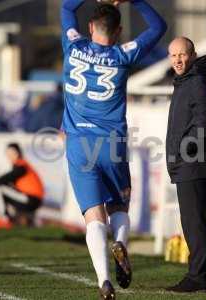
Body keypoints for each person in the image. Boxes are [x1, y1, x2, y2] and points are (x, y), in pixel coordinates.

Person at [60, 0, 166, 298]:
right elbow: (159, 26)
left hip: (80, 143)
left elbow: (67, 9)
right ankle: (120, 244)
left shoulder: (73, 47)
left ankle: (103, 281)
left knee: (93, 215)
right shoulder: (123, 54)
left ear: (91, 27)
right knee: (118, 207)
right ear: (119, 31)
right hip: (113, 143)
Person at [165, 37, 206, 293]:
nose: (177, 60)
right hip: (184, 162)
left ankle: (198, 278)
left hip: (192, 162)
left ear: (193, 55)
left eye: (182, 55)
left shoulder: (197, 82)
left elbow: (202, 123)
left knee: (194, 222)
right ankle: (196, 275)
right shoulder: (185, 81)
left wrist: (184, 149)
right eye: (173, 55)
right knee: (190, 222)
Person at [0, 143, 44, 229]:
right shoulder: (21, 165)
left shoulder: (22, 166)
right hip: (29, 199)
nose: (9, 156)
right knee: (0, 186)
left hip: (31, 200)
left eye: (12, 153)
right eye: (8, 153)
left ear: (18, 153)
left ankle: (4, 220)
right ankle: (15, 219)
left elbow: (6, 178)